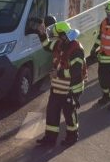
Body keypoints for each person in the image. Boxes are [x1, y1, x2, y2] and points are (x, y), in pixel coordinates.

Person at [35, 18, 85, 147]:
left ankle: (72, 136)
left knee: (69, 114)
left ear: (64, 36)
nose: (56, 40)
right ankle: (50, 138)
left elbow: (75, 73)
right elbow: (47, 45)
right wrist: (41, 33)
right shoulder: (60, 44)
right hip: (57, 86)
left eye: (58, 37)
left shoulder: (76, 50)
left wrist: (58, 74)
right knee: (52, 112)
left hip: (71, 88)